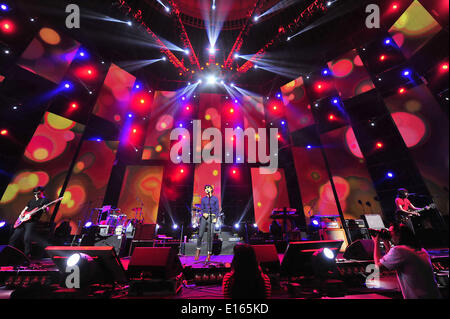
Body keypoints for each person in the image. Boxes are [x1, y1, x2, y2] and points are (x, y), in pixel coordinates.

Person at [372, 223, 441, 299]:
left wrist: (376, 242)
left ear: (398, 235)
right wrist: (386, 242)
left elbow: (377, 268)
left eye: (390, 233)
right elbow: (390, 261)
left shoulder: (400, 250)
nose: (390, 236)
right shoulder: (420, 249)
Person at [9, 186, 51, 259]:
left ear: (42, 192)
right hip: (23, 220)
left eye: (38, 193)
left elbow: (47, 211)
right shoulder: (32, 200)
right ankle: (8, 253)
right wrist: (21, 215)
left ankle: (27, 256)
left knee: (26, 238)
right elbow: (25, 208)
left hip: (32, 221)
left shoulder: (44, 200)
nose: (36, 195)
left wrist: (45, 209)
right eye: (35, 194)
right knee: (14, 237)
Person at [195, 185, 219, 262]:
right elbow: (201, 209)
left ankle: (209, 253)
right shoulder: (203, 199)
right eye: (205, 188)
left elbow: (217, 209)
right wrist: (203, 213)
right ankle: (198, 250)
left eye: (207, 188)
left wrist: (216, 218)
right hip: (204, 217)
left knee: (210, 236)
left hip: (212, 217)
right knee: (200, 235)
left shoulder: (215, 199)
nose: (206, 189)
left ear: (211, 189)